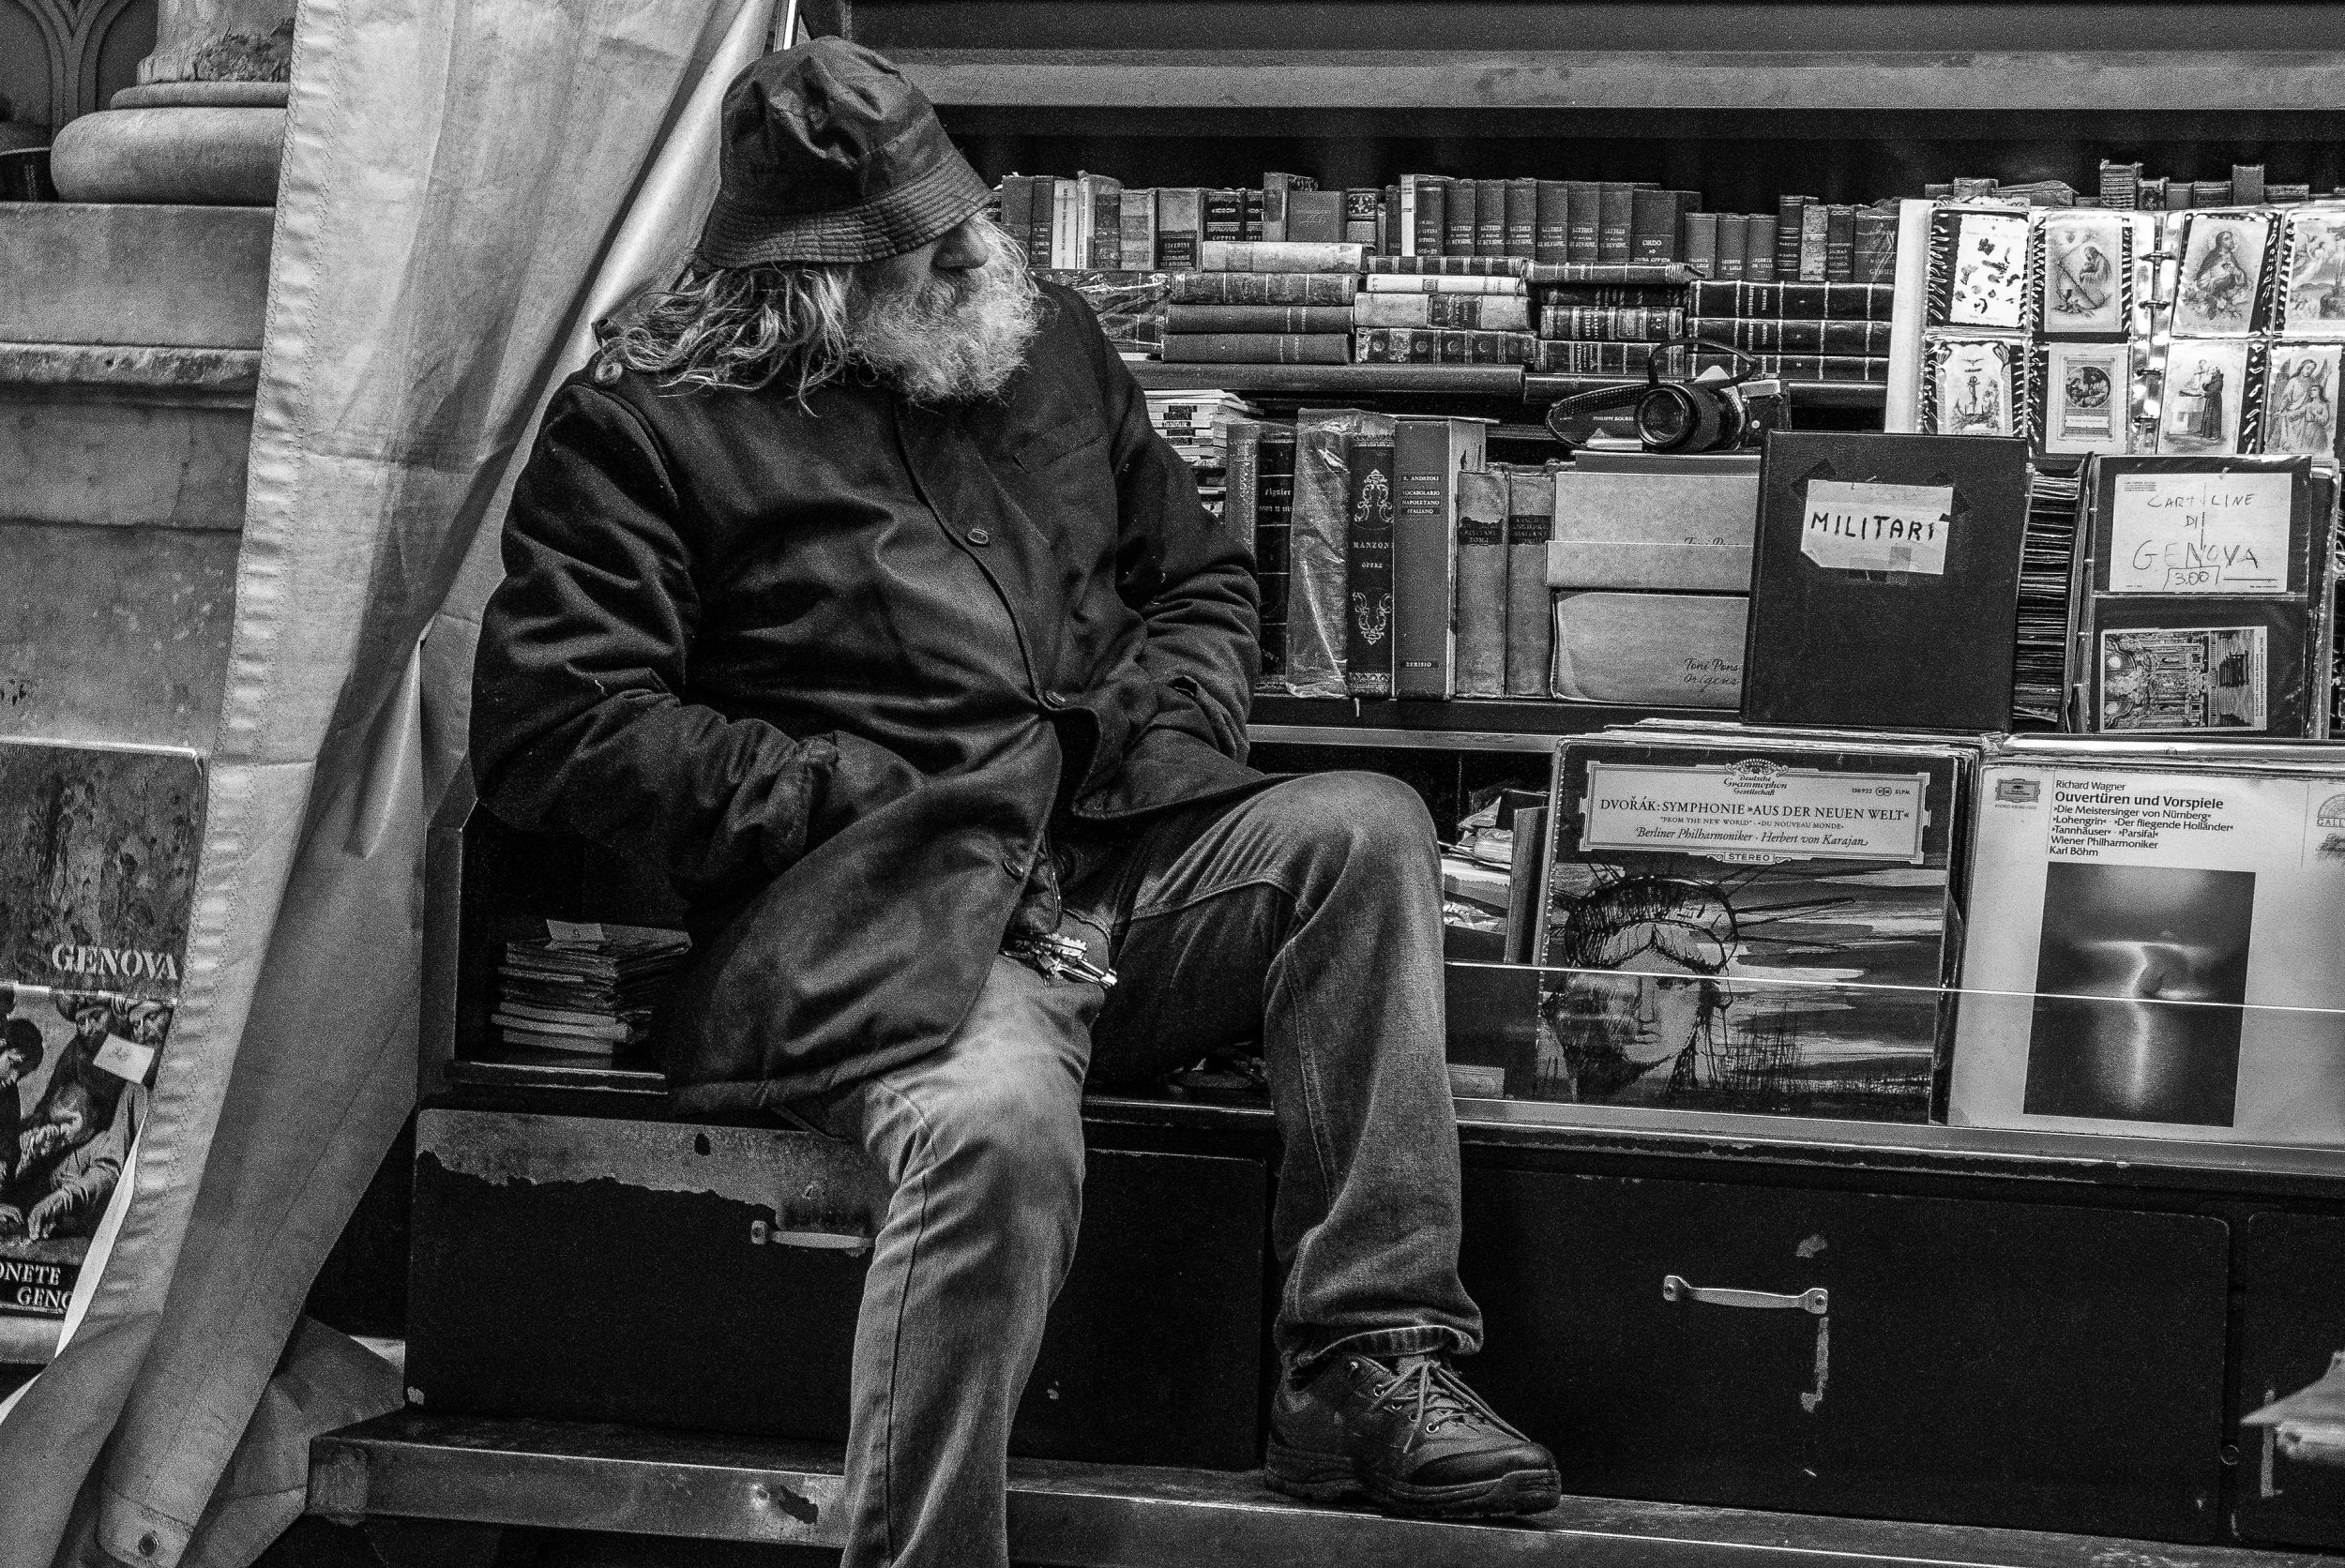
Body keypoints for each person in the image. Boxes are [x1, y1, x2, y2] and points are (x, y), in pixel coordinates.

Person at [469, 38, 1559, 1568]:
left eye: (960, 212)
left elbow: (1198, 584)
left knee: (1367, 831)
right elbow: (559, 728)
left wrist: (1162, 730)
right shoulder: (642, 421)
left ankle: (1362, 1366)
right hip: (877, 922)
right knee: (989, 1129)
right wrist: (851, 795)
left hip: (1115, 867)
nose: (972, 251)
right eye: (918, 241)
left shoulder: (1041, 345)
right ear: (809, 278)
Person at [1536, 877, 1737, 1103]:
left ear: (1703, 1001)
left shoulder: (1718, 1100)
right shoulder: (1548, 1075)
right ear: (1592, 993)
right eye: (1622, 982)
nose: (1645, 1014)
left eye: (1672, 984)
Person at [0, 1079, 119, 1243]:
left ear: (92, 1115)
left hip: (75, 1236)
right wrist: (30, 1157)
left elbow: (103, 1177)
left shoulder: (103, 1142)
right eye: (57, 1122)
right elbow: (22, 1191)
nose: (61, 1129)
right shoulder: (54, 1143)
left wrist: (63, 1198)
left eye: (70, 1121)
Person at [0, 1018, 43, 1188]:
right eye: (13, 1064)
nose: (14, 1078)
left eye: (22, 1074)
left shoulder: (9, 1096)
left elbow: (9, 1147)